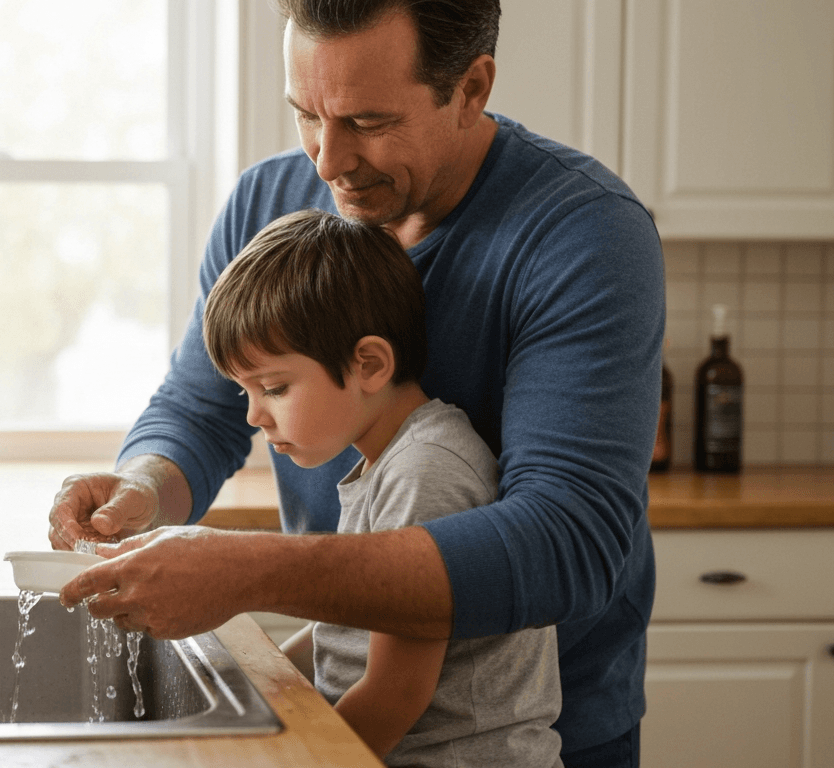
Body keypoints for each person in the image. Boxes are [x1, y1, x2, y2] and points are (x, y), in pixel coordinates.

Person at [50, 1, 663, 765]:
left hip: (540, 738)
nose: (326, 159)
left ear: (471, 87)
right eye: (306, 113)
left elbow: (566, 542)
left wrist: (244, 572)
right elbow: (200, 411)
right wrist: (140, 489)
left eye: (368, 123)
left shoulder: (584, 234)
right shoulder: (266, 205)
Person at [203, 208, 562, 765]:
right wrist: (249, 676)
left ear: (369, 364)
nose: (255, 416)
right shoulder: (386, 463)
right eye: (245, 391)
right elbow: (342, 636)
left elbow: (395, 694)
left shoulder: (426, 471)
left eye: (273, 387)